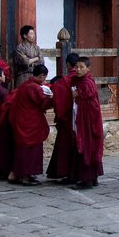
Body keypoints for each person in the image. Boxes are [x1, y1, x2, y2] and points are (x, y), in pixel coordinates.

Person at [8, 63, 53, 186]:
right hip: (31, 124)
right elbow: (42, 104)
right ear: (43, 76)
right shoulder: (34, 88)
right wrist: (50, 98)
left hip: (21, 121)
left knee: (21, 150)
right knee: (30, 150)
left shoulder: (24, 85)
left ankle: (14, 174)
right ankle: (26, 177)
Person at [69, 56, 104, 189]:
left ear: (88, 69)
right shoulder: (79, 81)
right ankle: (93, 177)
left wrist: (77, 94)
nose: (78, 70)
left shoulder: (87, 83)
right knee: (88, 146)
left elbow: (89, 101)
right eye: (76, 67)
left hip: (88, 121)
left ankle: (87, 179)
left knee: (87, 146)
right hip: (82, 118)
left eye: (81, 67)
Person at [46, 53, 80, 183]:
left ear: (67, 65)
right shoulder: (84, 79)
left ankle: (64, 172)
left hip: (66, 119)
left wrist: (59, 115)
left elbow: (56, 100)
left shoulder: (64, 82)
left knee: (65, 146)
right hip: (79, 119)